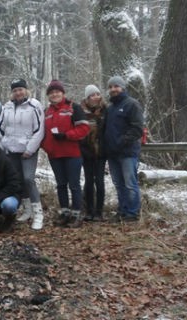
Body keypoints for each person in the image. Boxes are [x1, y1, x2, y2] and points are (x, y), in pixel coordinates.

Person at [0, 78, 45, 230]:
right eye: (15, 90)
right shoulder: (7, 107)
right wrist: (4, 145)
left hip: (28, 150)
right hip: (12, 150)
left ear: (25, 90)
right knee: (18, 180)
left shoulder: (34, 105)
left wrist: (30, 148)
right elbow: (0, 128)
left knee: (29, 179)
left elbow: (39, 129)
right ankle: (27, 209)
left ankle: (38, 214)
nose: (18, 92)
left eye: (20, 89)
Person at [41, 80, 90, 228]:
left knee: (74, 185)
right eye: (51, 92)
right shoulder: (46, 112)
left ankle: (76, 214)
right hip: (54, 155)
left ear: (63, 93)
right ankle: (65, 213)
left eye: (57, 92)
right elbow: (42, 134)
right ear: (48, 96)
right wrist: (46, 148)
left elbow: (84, 129)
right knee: (61, 184)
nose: (54, 94)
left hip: (72, 153)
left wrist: (67, 135)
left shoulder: (73, 108)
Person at [101, 76, 144, 223]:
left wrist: (121, 141)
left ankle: (132, 213)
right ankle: (122, 211)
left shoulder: (132, 104)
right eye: (111, 87)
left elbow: (137, 129)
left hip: (127, 153)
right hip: (112, 154)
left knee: (130, 183)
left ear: (123, 88)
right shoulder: (110, 108)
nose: (113, 89)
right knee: (119, 184)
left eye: (116, 86)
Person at [80, 85, 107, 221]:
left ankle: (99, 212)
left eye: (98, 94)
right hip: (86, 152)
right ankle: (89, 211)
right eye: (92, 95)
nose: (96, 97)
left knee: (100, 182)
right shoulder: (80, 111)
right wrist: (84, 150)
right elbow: (79, 132)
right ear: (87, 98)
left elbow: (107, 131)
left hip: (101, 152)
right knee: (89, 181)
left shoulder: (105, 110)